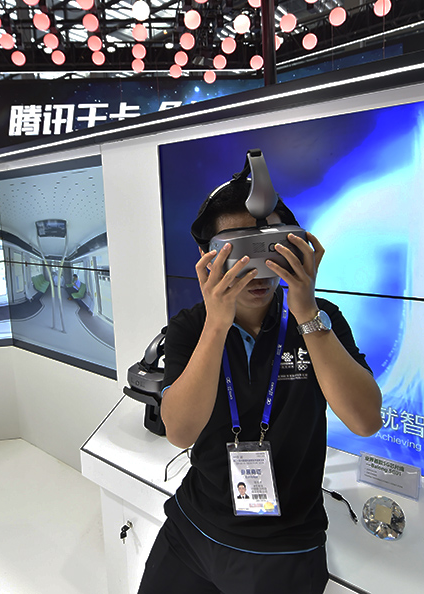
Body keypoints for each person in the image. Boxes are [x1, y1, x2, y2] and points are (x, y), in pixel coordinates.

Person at [137, 176, 382, 594]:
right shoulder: (192, 326)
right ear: (207, 257)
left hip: (284, 544)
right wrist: (217, 323)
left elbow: (365, 420)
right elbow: (180, 432)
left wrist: (306, 312)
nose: (258, 269)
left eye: (271, 247)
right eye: (238, 253)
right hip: (195, 525)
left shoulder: (321, 319)